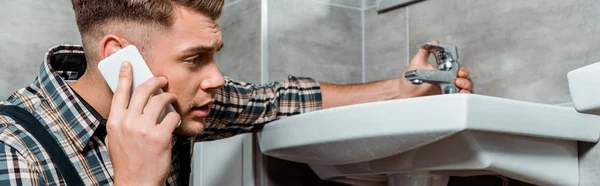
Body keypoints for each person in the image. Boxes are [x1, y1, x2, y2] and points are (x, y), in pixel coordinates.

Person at [0, 0, 471, 185]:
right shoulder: (15, 151)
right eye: (195, 58)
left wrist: (404, 88)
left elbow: (279, 99)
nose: (217, 78)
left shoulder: (173, 105)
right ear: (121, 60)